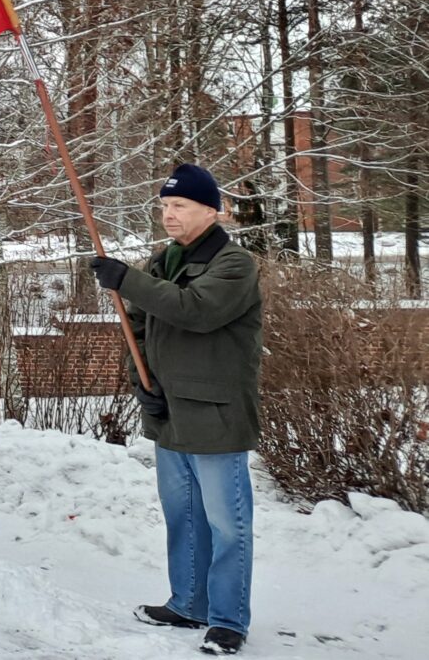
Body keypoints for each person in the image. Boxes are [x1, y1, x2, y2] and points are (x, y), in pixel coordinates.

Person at [89, 164, 261, 656]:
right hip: (169, 413)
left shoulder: (234, 265)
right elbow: (136, 328)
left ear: (212, 210)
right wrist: (141, 383)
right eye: (164, 206)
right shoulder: (162, 261)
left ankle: (228, 621)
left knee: (228, 525)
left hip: (216, 415)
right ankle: (188, 605)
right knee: (183, 517)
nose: (169, 215)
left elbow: (196, 311)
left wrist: (126, 280)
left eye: (180, 206)